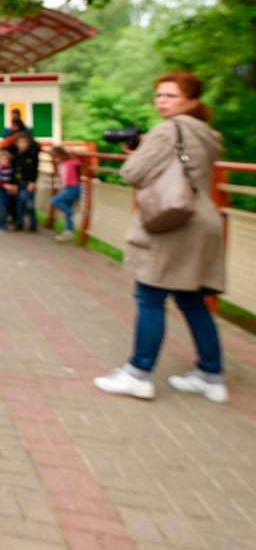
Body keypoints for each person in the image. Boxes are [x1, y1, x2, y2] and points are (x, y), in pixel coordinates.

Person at [93, 72, 228, 404]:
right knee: (192, 300)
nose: (162, 101)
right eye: (159, 95)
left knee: (150, 297)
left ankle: (138, 374)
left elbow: (133, 173)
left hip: (173, 222)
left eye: (171, 95)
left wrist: (134, 152)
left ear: (191, 102)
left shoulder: (168, 129)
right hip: (203, 219)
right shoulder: (208, 133)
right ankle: (211, 375)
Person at [49, 146, 82, 241]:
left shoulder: (70, 162)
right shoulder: (62, 164)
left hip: (73, 188)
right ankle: (69, 231)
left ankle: (72, 215)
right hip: (68, 187)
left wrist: (75, 153)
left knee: (55, 201)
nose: (55, 160)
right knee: (67, 206)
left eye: (56, 157)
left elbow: (80, 162)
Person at [11, 132, 39, 231]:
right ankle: (19, 222)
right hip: (19, 183)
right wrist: (13, 184)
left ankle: (33, 224)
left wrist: (32, 181)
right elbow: (13, 171)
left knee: (29, 204)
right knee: (19, 204)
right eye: (21, 142)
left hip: (28, 182)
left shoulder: (31, 155)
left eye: (25, 142)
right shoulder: (16, 156)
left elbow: (34, 170)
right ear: (17, 144)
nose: (23, 144)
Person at [0, 148, 16, 230]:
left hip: (7, 190)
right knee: (2, 207)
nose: (5, 161)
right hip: (0, 190)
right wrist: (5, 185)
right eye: (3, 159)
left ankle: (0, 220)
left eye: (6, 159)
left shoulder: (9, 168)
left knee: (6, 206)